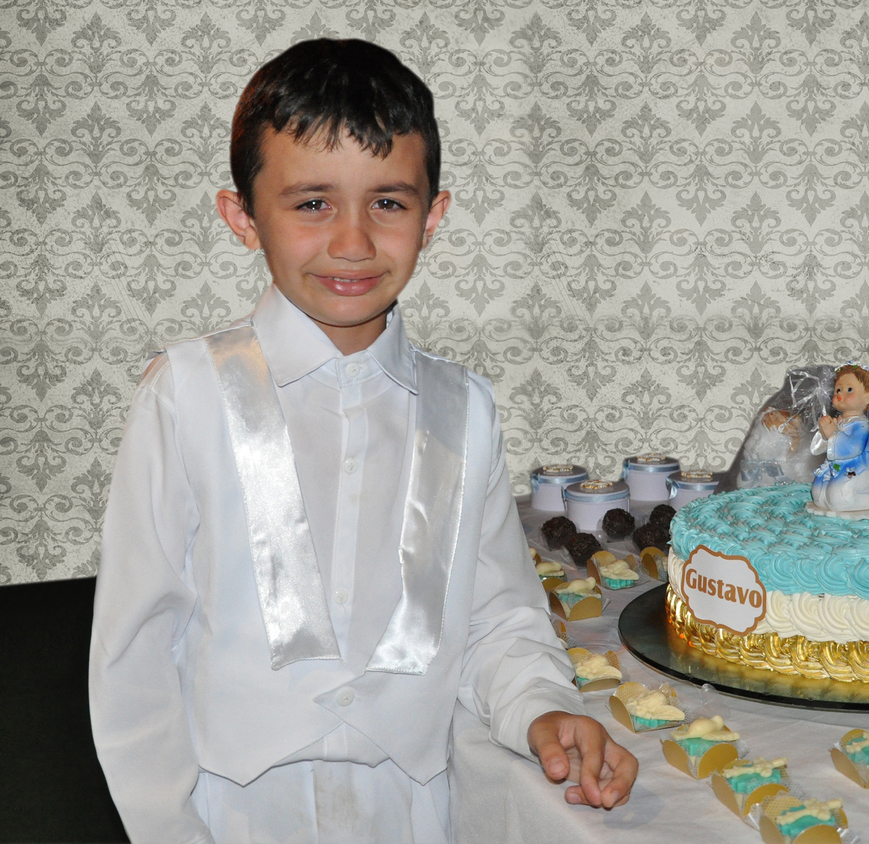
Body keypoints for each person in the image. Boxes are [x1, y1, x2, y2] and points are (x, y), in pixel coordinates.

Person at [89, 38, 636, 844]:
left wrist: (543, 708)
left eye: (387, 202)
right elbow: (136, 650)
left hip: (412, 812)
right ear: (243, 217)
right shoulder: (186, 395)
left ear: (433, 216)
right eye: (312, 203)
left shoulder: (465, 410)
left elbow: (497, 617)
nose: (352, 242)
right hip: (230, 815)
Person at [810, 364, 869, 515]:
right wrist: (824, 433)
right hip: (836, 467)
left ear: (867, 398)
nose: (840, 394)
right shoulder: (838, 421)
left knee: (839, 499)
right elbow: (819, 449)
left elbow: (853, 448)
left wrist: (833, 433)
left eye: (849, 390)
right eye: (838, 390)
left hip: (859, 467)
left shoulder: (861, 425)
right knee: (818, 494)